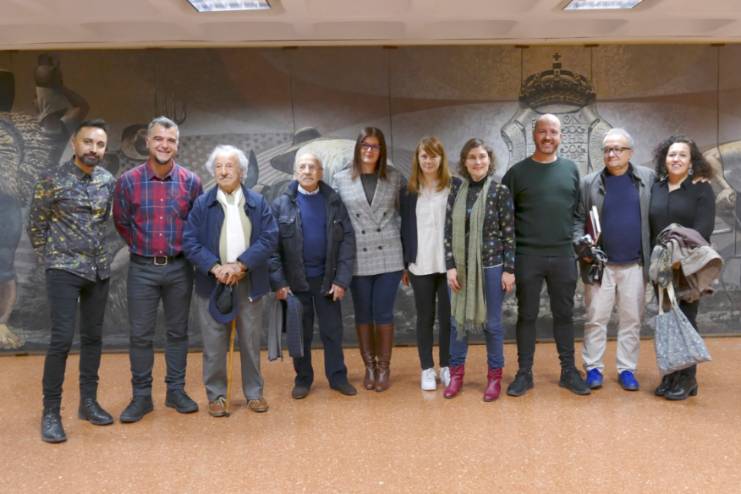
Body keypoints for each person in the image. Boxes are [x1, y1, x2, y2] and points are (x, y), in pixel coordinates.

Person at [28, 119, 115, 443]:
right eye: (88, 142)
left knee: (93, 339)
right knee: (62, 340)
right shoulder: (51, 180)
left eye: (100, 144)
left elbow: (105, 223)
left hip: (98, 270)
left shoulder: (107, 180)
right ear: (75, 144)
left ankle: (88, 403)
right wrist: (52, 259)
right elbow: (36, 226)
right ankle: (51, 412)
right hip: (63, 270)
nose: (94, 149)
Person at [113, 116, 203, 423]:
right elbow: (122, 222)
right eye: (159, 139)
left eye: (171, 140)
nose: (165, 145)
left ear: (177, 145)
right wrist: (143, 246)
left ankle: (175, 391)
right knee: (140, 335)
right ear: (148, 142)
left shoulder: (191, 182)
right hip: (142, 268)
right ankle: (141, 397)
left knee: (178, 333)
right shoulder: (128, 181)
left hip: (179, 268)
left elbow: (196, 225)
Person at [184, 145, 278, 416]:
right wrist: (215, 268)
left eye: (229, 166)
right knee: (214, 343)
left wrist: (241, 264)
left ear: (242, 171)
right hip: (212, 282)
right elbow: (189, 242)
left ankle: (254, 394)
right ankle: (216, 397)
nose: (223, 171)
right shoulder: (202, 204)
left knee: (250, 340)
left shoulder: (257, 202)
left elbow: (269, 237)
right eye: (218, 166)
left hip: (249, 280)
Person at [502, 113, 590, 397]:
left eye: (553, 132)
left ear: (560, 136)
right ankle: (524, 373)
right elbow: (505, 221)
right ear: (534, 135)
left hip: (563, 255)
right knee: (526, 315)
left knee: (564, 315)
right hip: (527, 255)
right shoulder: (516, 174)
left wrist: (578, 244)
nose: (548, 137)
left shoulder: (571, 170)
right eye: (543, 131)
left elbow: (578, 214)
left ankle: (568, 372)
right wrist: (508, 262)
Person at [573, 128, 656, 392]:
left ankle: (627, 370)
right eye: (607, 149)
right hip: (600, 266)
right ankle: (593, 368)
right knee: (595, 319)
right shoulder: (589, 183)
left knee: (631, 320)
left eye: (617, 149)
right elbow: (577, 219)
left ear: (630, 152)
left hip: (635, 264)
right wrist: (582, 245)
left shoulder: (647, 178)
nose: (611, 154)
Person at [270, 152, 357, 399]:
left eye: (312, 167)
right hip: (296, 283)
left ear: (320, 173)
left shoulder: (334, 202)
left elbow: (347, 242)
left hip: (327, 281)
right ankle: (303, 379)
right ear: (295, 172)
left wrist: (341, 281)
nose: (307, 171)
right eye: (302, 167)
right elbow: (271, 249)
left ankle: (337, 377)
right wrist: (279, 283)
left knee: (332, 332)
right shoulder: (281, 204)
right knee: (300, 334)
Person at [332, 127, 405, 392]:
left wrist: (409, 259)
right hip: (357, 255)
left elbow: (406, 216)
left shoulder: (395, 177)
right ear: (357, 148)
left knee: (383, 312)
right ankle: (369, 366)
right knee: (363, 312)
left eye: (375, 146)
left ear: (381, 150)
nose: (369, 151)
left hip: (390, 254)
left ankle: (383, 367)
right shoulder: (340, 179)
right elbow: (336, 222)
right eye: (365, 145)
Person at [441, 139, 515, 401]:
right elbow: (448, 231)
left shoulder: (499, 191)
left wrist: (509, 270)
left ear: (489, 160)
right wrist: (450, 267)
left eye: (482, 156)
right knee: (457, 323)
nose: (478, 161)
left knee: (492, 325)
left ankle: (494, 378)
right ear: (465, 162)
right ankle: (456, 376)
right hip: (461, 269)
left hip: (492, 266)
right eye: (472, 157)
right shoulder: (456, 191)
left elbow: (509, 234)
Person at [649, 135, 715, 401]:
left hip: (687, 265)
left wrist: (679, 256)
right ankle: (671, 374)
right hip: (662, 265)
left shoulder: (701, 188)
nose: (676, 159)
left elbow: (704, 230)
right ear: (664, 159)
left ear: (691, 161)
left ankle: (688, 378)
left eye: (682, 155)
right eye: (672, 154)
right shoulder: (657, 187)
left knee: (686, 318)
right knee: (667, 320)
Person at [400, 137, 458, 391]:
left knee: (447, 319)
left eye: (433, 155)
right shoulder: (408, 191)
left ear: (441, 158)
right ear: (417, 159)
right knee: (425, 317)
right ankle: (426, 368)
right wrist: (405, 264)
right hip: (420, 265)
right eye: (424, 156)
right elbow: (404, 229)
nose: (429, 160)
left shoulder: (455, 187)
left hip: (448, 266)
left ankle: (446, 366)